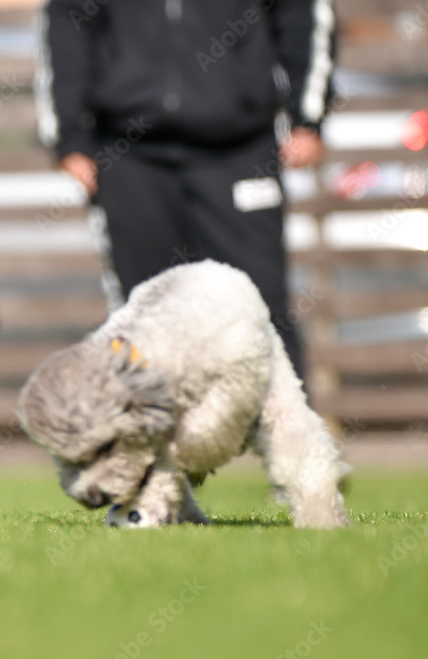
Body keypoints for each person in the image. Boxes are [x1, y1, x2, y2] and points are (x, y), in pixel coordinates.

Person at [36, 0, 336, 382]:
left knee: (258, 308)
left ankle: (278, 437)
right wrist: (70, 136)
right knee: (141, 313)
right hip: (130, 152)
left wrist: (307, 116)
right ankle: (150, 437)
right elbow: (67, 20)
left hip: (240, 150)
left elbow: (303, 13)